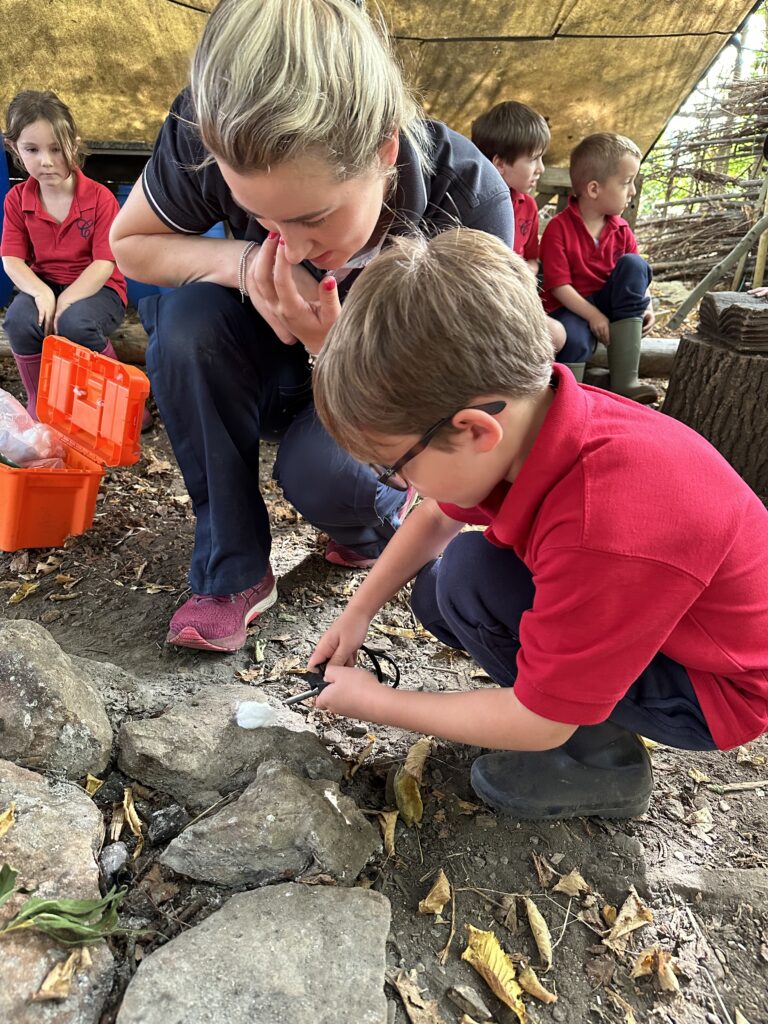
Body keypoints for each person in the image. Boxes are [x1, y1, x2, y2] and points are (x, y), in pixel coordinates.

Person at [307, 229, 768, 821]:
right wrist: (358, 612)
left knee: (475, 598)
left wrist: (381, 703)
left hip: (716, 690)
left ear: (476, 429)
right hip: (662, 621)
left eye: (394, 465)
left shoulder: (605, 521)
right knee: (456, 580)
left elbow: (540, 719)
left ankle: (603, 762)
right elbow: (439, 515)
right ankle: (583, 704)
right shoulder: (540, 416)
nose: (399, 484)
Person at [109, 0, 519, 655]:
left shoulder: (465, 201)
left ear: (385, 149)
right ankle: (232, 570)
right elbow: (130, 243)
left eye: (313, 217)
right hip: (264, 362)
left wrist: (330, 346)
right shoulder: (211, 130)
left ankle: (362, 529)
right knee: (187, 323)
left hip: (386, 396)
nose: (291, 250)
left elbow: (471, 410)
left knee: (322, 473)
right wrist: (244, 263)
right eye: (261, 218)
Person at [1, 91, 129, 418]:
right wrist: (42, 292)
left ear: (74, 143)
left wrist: (67, 299)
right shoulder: (17, 199)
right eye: (32, 150)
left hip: (99, 289)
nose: (46, 160)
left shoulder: (100, 198)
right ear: (15, 149)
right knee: (19, 320)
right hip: (46, 284)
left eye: (56, 149)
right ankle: (39, 404)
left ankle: (122, 405)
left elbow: (104, 263)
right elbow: (12, 259)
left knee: (76, 323)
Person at [539, 132, 657, 401]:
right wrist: (593, 315)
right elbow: (559, 286)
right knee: (574, 338)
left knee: (634, 263)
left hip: (611, 304)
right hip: (572, 308)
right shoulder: (559, 228)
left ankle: (626, 382)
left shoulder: (622, 230)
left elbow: (638, 280)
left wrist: (646, 306)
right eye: (627, 182)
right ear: (594, 189)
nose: (633, 191)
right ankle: (565, 401)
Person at [471, 100, 548, 275]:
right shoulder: (473, 208)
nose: (541, 169)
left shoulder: (528, 207)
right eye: (533, 159)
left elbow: (532, 260)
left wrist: (524, 275)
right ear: (500, 164)